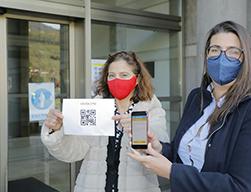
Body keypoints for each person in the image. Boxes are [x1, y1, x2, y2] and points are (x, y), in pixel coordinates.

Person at [128, 21, 251, 192]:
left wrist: (172, 172)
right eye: (215, 50)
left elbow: (241, 186)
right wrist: (160, 148)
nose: (222, 58)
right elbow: (185, 156)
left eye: (232, 51)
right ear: (207, 55)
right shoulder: (197, 97)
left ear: (245, 58)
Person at [41, 51, 169, 192]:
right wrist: (57, 130)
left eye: (124, 75)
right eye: (112, 75)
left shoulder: (151, 109)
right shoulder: (96, 108)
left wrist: (137, 130)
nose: (117, 80)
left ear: (137, 79)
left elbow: (159, 150)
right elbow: (73, 152)